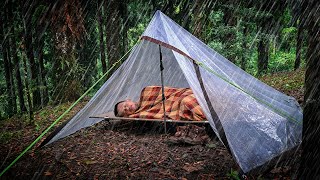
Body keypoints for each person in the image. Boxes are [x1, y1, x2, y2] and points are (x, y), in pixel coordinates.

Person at [114, 86, 206, 121]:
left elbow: (170, 92)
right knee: (187, 103)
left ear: (128, 99)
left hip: (183, 94)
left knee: (188, 100)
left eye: (125, 105)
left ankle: (206, 107)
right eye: (125, 111)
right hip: (180, 104)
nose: (127, 108)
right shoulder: (141, 114)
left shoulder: (146, 91)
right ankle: (206, 111)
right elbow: (158, 112)